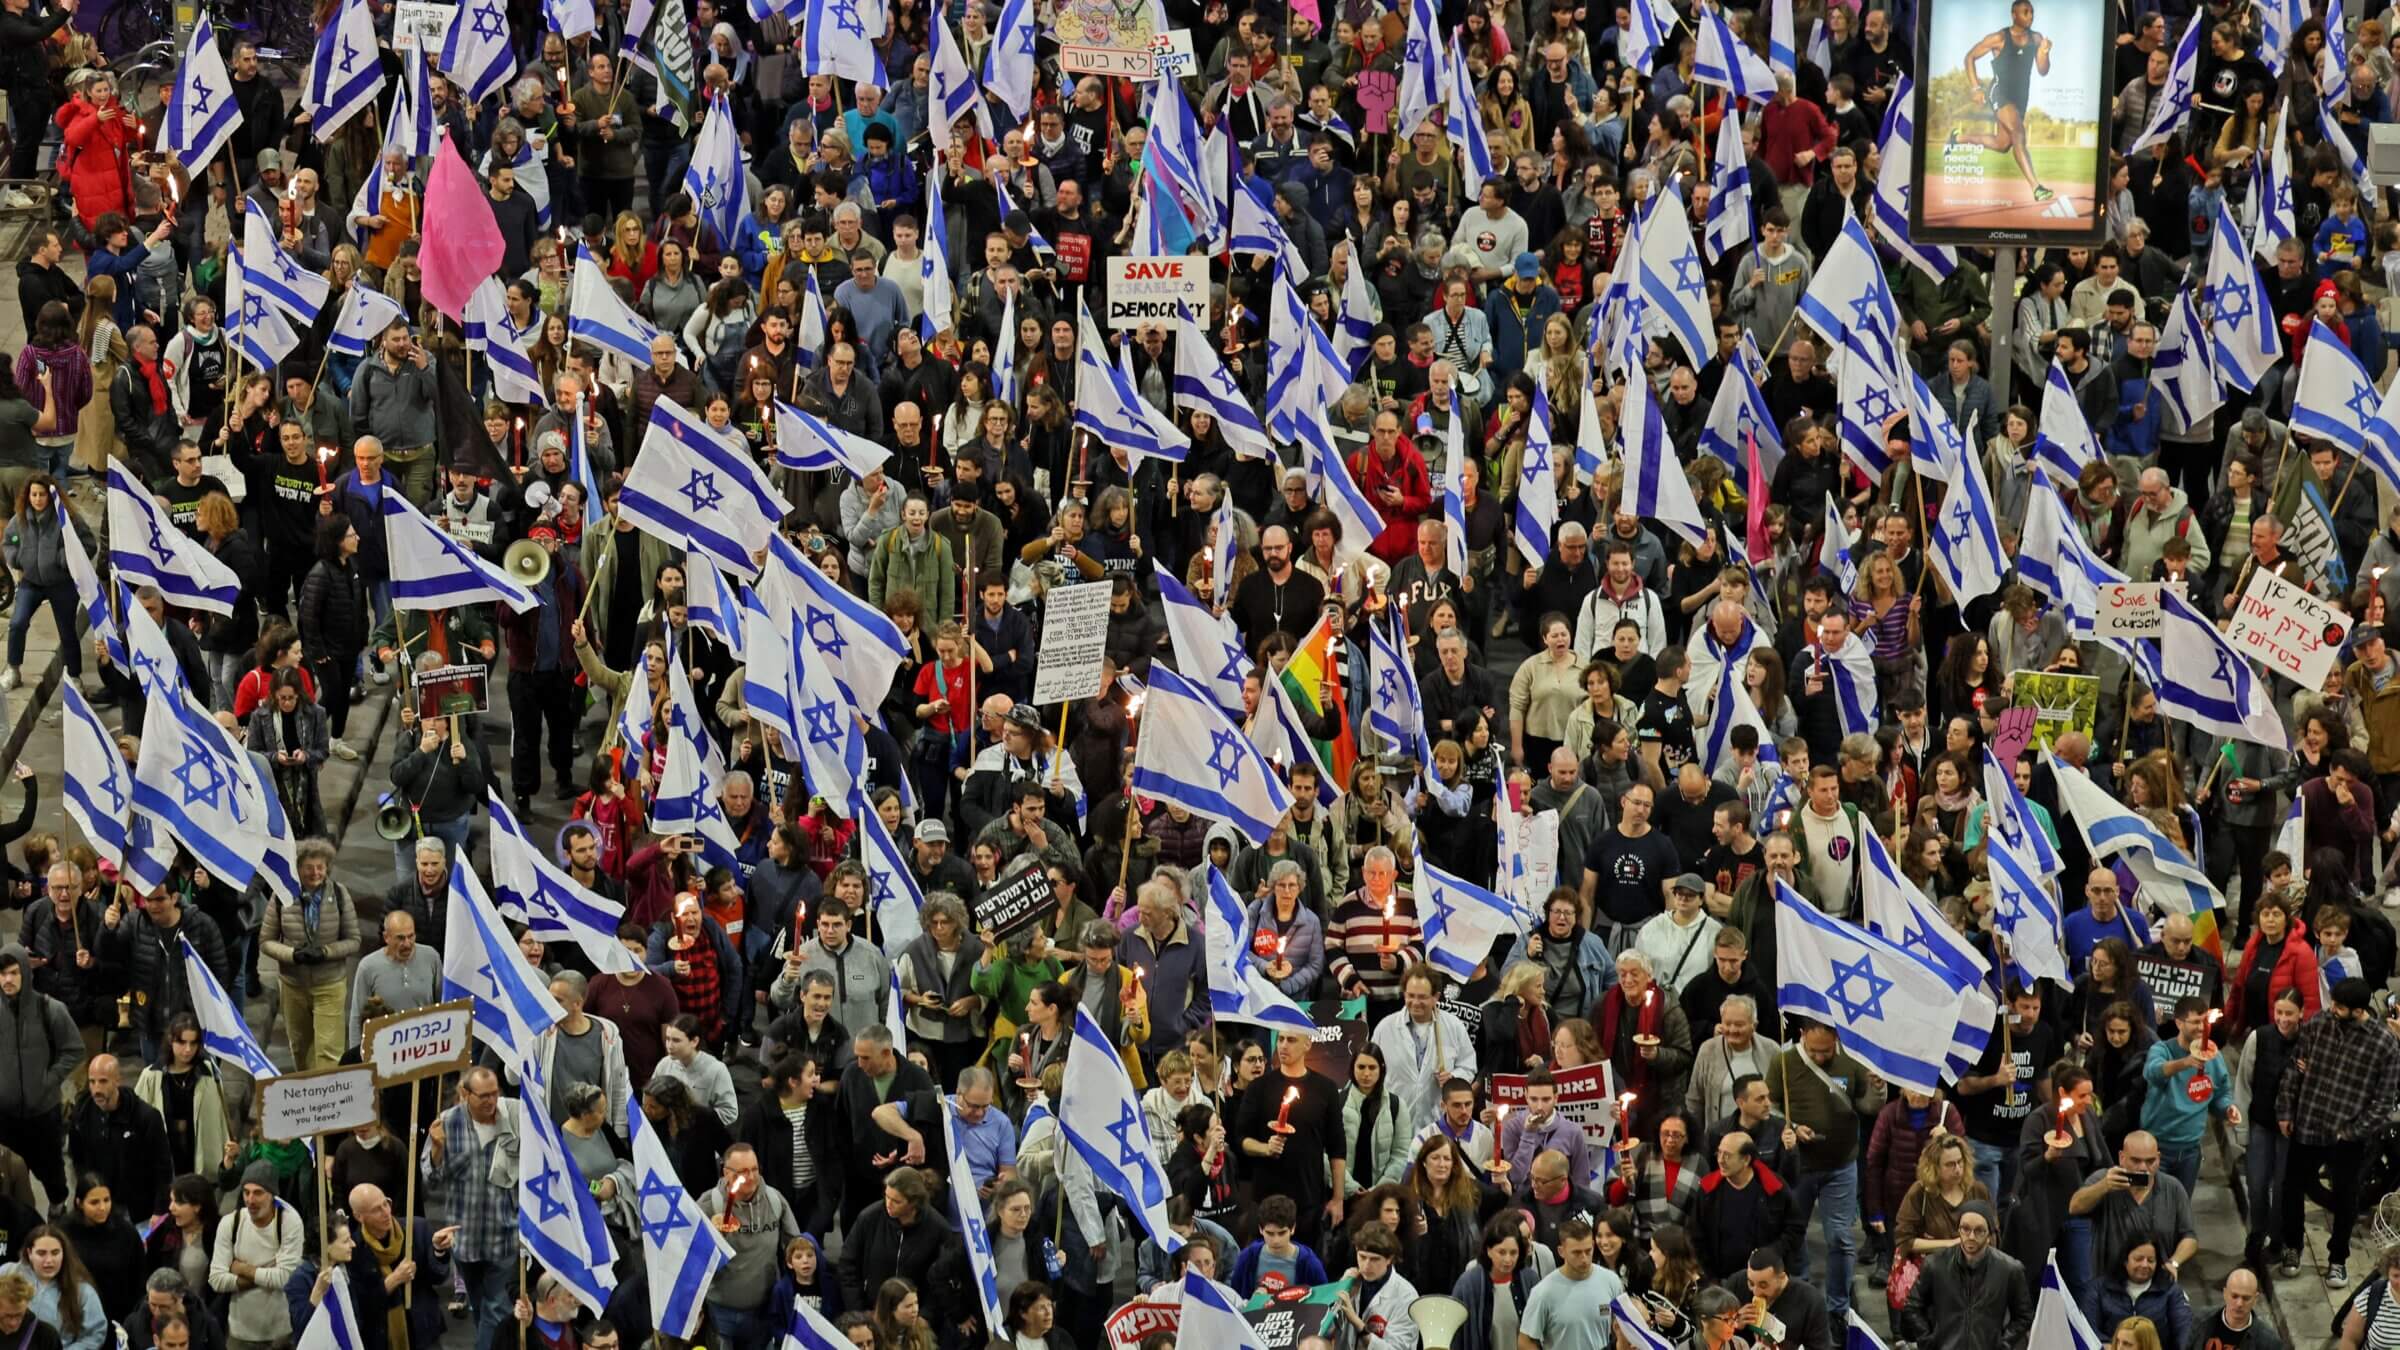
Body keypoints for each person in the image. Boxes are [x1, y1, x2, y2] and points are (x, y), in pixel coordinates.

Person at [2279, 978, 2400, 1288]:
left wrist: (2354, 1131)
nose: (2332, 1009)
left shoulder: (2384, 1044)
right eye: (2333, 1003)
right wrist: (2285, 1112)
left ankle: (2337, 1260)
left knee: (2346, 1198)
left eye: (2340, 1007)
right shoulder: (2319, 1024)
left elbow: (2384, 1100)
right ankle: (2292, 1247)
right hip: (2308, 1124)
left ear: (2359, 1011)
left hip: (2347, 1137)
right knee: (2292, 1188)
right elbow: (2295, 1068)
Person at [1895, 1201, 2031, 1350]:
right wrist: (1928, 1340)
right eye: (1965, 1229)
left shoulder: (2009, 1269)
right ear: (1958, 1230)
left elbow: (2024, 1316)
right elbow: (1912, 1306)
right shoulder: (1935, 1265)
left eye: (1979, 1230)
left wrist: (2003, 1343)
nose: (1971, 1236)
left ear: (1989, 1235)